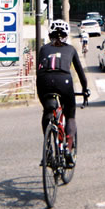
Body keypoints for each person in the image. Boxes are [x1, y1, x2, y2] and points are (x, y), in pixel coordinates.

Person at [37, 19, 89, 167]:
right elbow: (80, 73)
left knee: (47, 111)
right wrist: (85, 89)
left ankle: (47, 149)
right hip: (64, 81)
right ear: (66, 35)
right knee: (70, 116)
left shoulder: (43, 49)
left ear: (50, 35)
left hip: (43, 81)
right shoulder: (71, 49)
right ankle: (67, 148)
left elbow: (40, 68)